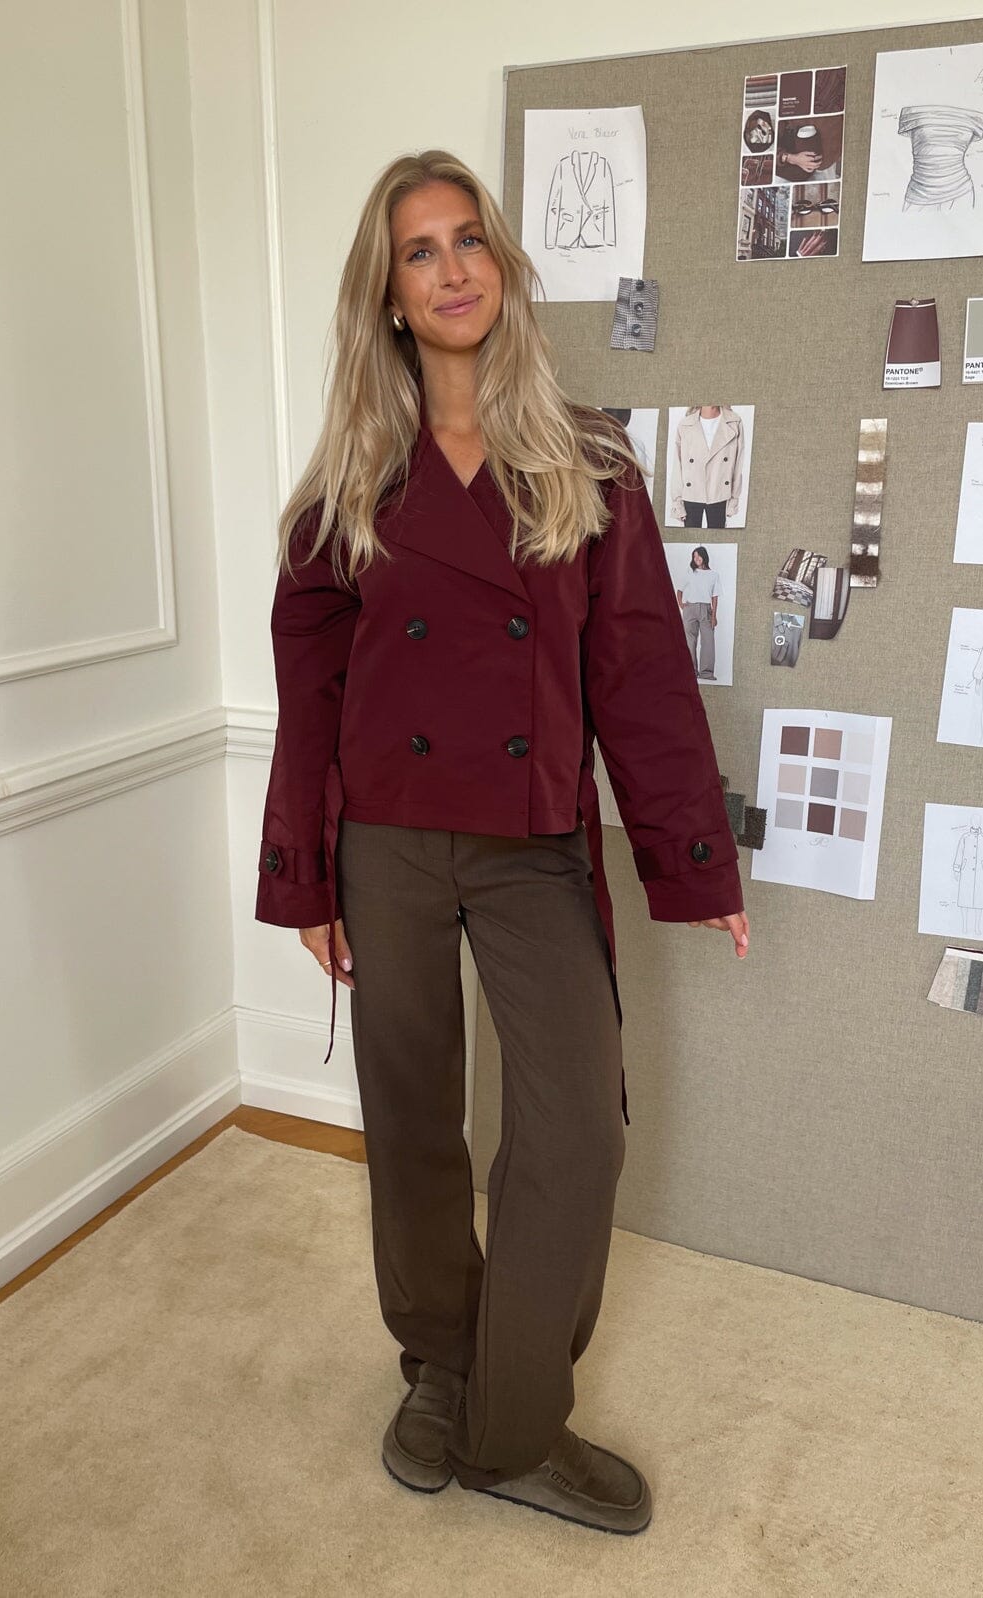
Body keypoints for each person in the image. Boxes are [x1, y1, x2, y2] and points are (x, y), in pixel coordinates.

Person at [255, 149, 749, 1537]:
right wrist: (307, 872)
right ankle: (440, 1363)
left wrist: (694, 860)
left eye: (469, 239)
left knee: (576, 1127)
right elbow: (311, 698)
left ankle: (514, 1421)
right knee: (415, 1122)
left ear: (504, 264)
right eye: (419, 251)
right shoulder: (350, 484)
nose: (452, 268)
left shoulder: (587, 460)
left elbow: (641, 677)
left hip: (534, 841)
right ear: (390, 294)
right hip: (390, 842)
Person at [677, 545, 722, 680]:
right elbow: (679, 590)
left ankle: (706, 673)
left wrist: (714, 616)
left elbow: (715, 597)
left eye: (698, 555)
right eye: (694, 556)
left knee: (708, 641)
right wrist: (681, 605)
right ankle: (691, 671)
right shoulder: (690, 572)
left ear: (704, 556)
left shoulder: (714, 575)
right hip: (690, 609)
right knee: (689, 641)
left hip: (706, 609)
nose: (696, 558)